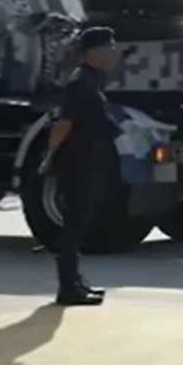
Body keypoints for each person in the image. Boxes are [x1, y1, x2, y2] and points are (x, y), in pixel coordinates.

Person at [40, 26, 121, 307]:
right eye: (109, 46)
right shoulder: (79, 82)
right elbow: (64, 123)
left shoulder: (92, 80)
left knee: (79, 224)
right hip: (76, 164)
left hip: (88, 161)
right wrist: (49, 156)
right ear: (93, 51)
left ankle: (76, 281)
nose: (113, 51)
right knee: (73, 227)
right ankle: (67, 287)